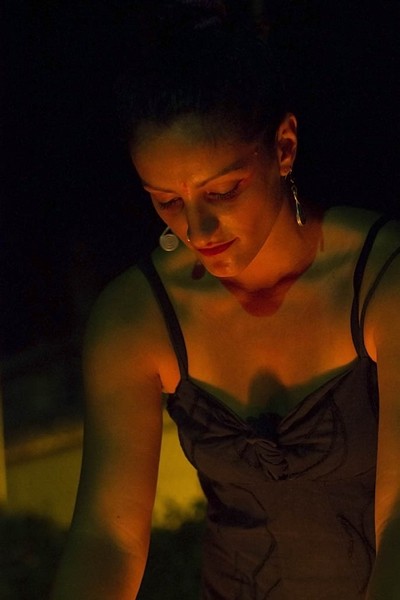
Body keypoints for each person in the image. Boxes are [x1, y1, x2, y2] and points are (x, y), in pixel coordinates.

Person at [52, 3, 400, 599]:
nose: (198, 228)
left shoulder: (381, 281)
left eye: (223, 190)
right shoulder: (139, 319)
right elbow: (108, 538)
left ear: (284, 147)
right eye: (167, 201)